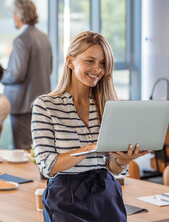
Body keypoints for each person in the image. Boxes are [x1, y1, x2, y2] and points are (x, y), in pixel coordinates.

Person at [32, 31, 148, 222]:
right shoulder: (46, 105)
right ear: (70, 61)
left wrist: (124, 159)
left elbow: (112, 167)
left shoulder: (108, 105)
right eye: (90, 61)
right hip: (65, 198)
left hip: (107, 195)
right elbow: (47, 166)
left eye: (103, 63)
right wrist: (91, 148)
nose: (98, 69)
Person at [1, 0, 52, 150]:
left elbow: (16, 74)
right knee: (37, 147)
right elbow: (49, 69)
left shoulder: (21, 40)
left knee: (23, 148)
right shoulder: (44, 38)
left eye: (13, 14)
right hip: (40, 101)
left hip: (22, 103)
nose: (13, 17)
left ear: (18, 15)